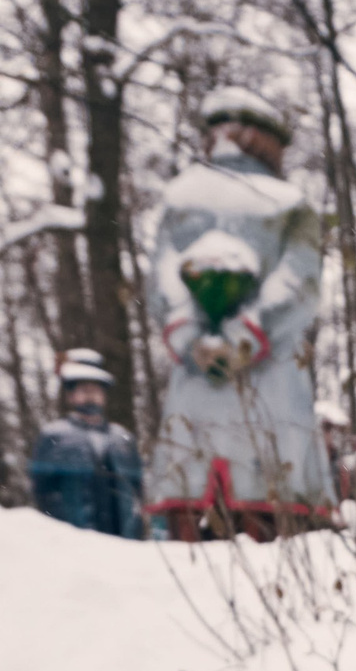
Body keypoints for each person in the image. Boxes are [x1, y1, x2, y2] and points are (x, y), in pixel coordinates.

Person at [143, 87, 329, 540]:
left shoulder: (180, 198)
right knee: (270, 499)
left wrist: (193, 338)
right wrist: (245, 336)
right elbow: (298, 283)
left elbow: (164, 281)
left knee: (191, 498)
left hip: (197, 374)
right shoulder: (288, 203)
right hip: (269, 373)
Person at [28, 349, 142, 538]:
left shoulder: (122, 438)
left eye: (96, 390)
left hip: (124, 543)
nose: (91, 396)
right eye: (83, 390)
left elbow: (136, 494)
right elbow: (43, 495)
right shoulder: (55, 437)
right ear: (71, 396)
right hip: (74, 544)